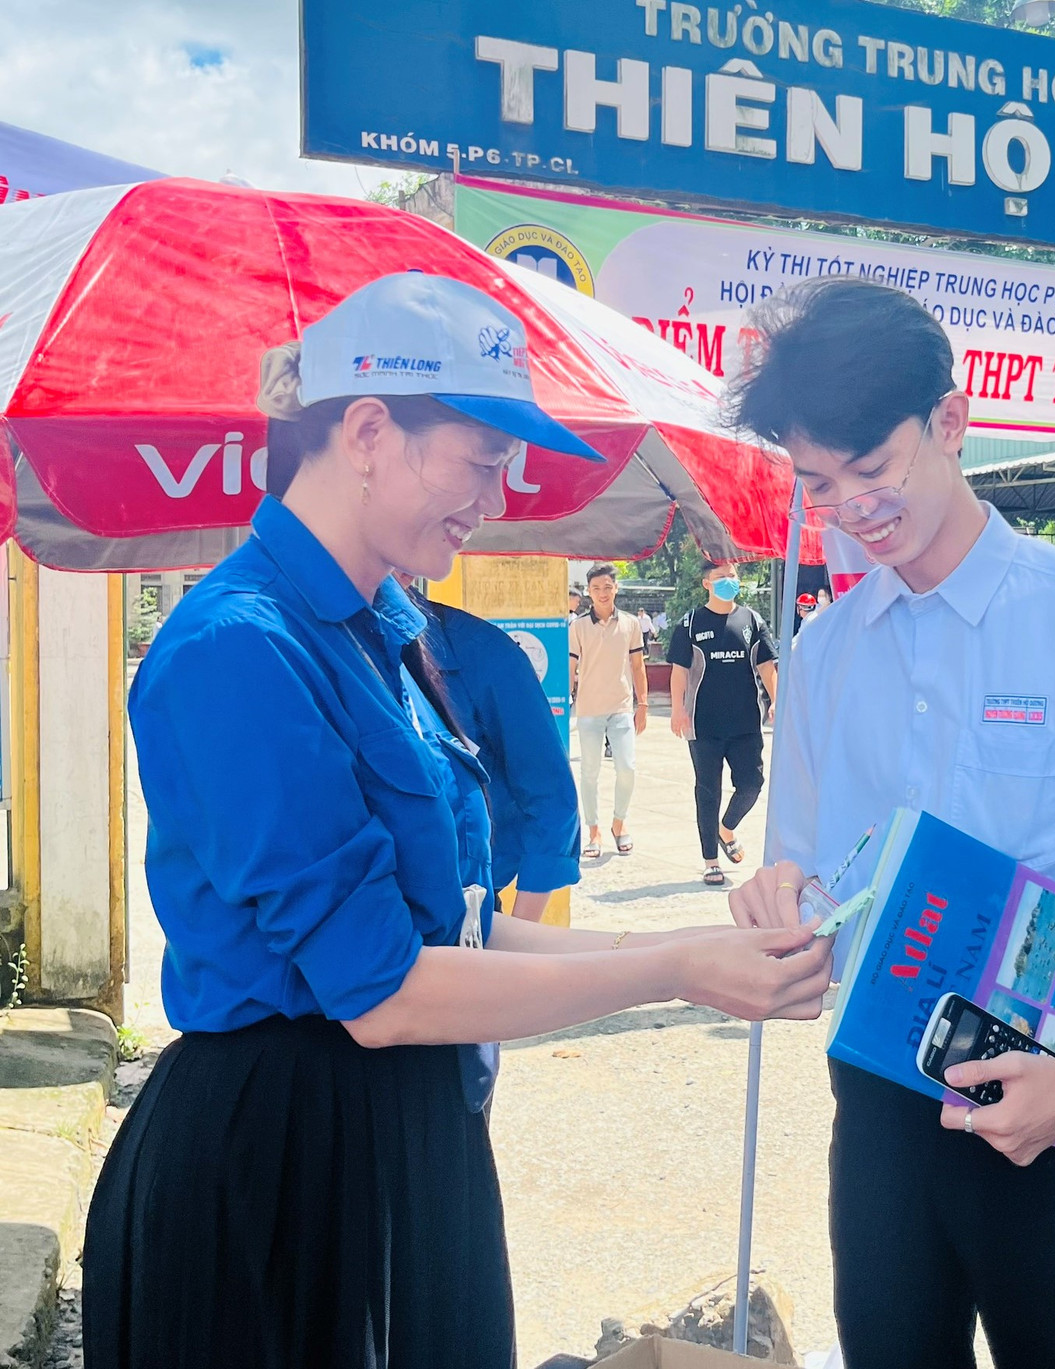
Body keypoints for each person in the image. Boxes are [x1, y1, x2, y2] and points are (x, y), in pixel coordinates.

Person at [82, 273, 834, 1369]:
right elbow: (382, 988)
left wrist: (689, 946)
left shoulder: (390, 633)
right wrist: (673, 970)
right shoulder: (239, 648)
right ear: (371, 430)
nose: (494, 496)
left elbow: (456, 924)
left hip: (410, 1128)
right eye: (480, 459)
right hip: (279, 1163)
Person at [726, 278, 1055, 1369]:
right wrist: (773, 902)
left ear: (950, 421)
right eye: (817, 483)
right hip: (881, 1112)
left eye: (871, 470)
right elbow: (803, 873)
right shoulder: (827, 651)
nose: (851, 507)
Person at [405, 578, 580, 923]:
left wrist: (516, 934)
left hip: (466, 914)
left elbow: (551, 798)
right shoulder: (309, 647)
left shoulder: (482, 653)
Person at [667, 559, 779, 886]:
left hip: (746, 723)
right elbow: (680, 670)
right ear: (707, 583)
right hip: (703, 725)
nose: (728, 580)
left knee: (752, 784)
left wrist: (777, 701)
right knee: (707, 791)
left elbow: (767, 666)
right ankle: (710, 860)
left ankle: (725, 827)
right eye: (721, 577)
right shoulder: (690, 622)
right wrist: (677, 708)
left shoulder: (752, 620)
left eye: (732, 576)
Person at [570, 562, 647, 858]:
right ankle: (594, 830)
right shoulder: (577, 627)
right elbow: (571, 668)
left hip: (622, 707)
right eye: (595, 588)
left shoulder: (630, 624)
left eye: (607, 587)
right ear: (589, 592)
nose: (602, 593)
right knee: (589, 773)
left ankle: (619, 823)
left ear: (616, 588)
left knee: (627, 768)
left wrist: (644, 704)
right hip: (589, 709)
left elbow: (638, 667)